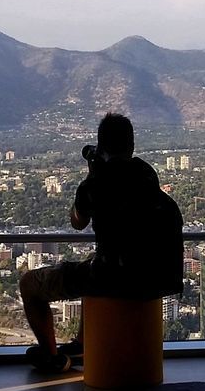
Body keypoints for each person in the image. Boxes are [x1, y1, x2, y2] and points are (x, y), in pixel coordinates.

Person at [18, 112, 177, 373]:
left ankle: (50, 354)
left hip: (112, 276)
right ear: (132, 145)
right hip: (155, 276)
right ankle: (81, 343)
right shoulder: (147, 175)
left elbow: (77, 221)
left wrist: (92, 176)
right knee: (91, 263)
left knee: (30, 284)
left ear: (101, 146)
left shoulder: (96, 184)